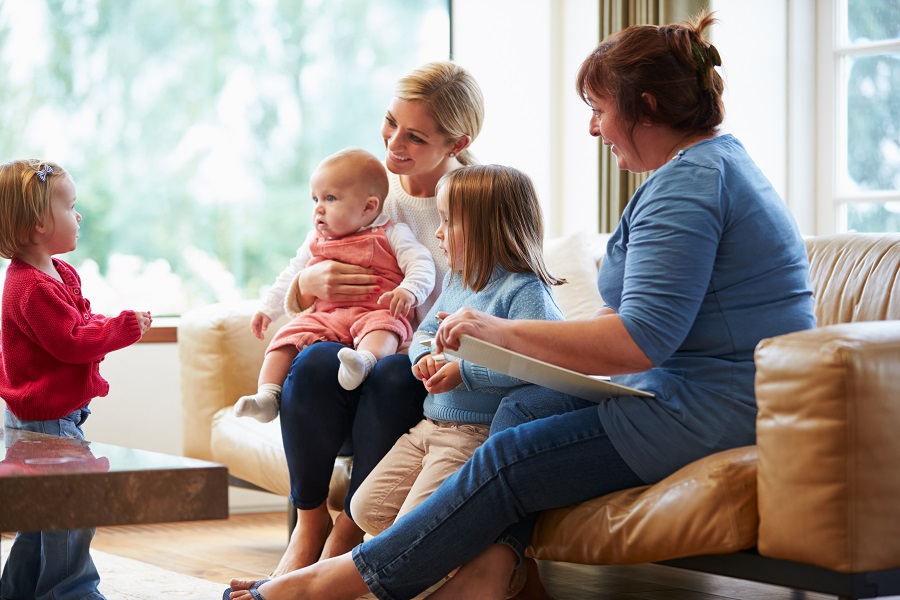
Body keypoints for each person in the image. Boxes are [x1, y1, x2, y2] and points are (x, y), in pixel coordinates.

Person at [223, 10, 817, 600]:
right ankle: (491, 573)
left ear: (650, 108)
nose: (593, 129)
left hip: (703, 410)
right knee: (527, 405)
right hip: (680, 393)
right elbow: (632, 322)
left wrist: (500, 333)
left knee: (509, 457)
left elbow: (640, 340)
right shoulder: (695, 172)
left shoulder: (688, 187)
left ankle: (331, 584)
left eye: (600, 109)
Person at [268, 61, 484, 577]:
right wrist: (306, 286)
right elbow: (302, 265)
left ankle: (350, 529)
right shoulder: (366, 183)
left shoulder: (475, 199)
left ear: (457, 143)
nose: (394, 143)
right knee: (317, 360)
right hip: (347, 352)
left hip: (420, 364)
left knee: (392, 372)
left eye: (414, 136)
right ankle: (309, 521)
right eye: (391, 122)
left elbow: (489, 297)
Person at [350, 165, 564, 539]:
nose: (437, 232)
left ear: (488, 228)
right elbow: (424, 333)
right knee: (365, 510)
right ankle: (450, 554)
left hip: (473, 436)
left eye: (448, 221)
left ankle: (461, 572)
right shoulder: (456, 280)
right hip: (429, 425)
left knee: (411, 530)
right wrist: (423, 358)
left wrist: (463, 371)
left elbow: (539, 367)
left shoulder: (526, 291)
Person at [0, 158, 152, 600]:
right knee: (71, 507)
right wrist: (122, 328)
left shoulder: (61, 272)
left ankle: (17, 589)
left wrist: (109, 323)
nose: (79, 215)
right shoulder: (29, 287)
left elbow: (80, 321)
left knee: (44, 513)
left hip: (51, 416)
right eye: (69, 207)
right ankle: (71, 591)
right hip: (43, 422)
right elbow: (71, 340)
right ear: (35, 227)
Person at [234, 148, 435, 422]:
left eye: (330, 198)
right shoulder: (315, 239)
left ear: (368, 207)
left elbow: (421, 264)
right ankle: (268, 395)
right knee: (289, 336)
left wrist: (409, 290)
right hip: (327, 317)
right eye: (315, 198)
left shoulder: (392, 233)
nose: (318, 208)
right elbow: (291, 273)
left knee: (386, 329)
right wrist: (268, 309)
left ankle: (363, 362)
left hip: (374, 310)